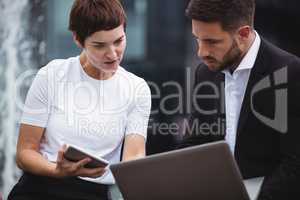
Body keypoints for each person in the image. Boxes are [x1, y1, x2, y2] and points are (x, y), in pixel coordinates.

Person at [8, 0, 151, 199]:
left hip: (93, 193)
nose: (112, 54)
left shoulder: (137, 88)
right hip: (40, 187)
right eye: (99, 45)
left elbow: (133, 159)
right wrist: (57, 171)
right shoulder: (51, 75)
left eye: (118, 41)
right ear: (77, 39)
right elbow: (25, 153)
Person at [178, 0, 300, 199]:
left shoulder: (291, 73)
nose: (201, 52)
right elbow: (197, 140)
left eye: (211, 42)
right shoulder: (205, 73)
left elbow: (295, 163)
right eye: (197, 39)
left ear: (243, 34)